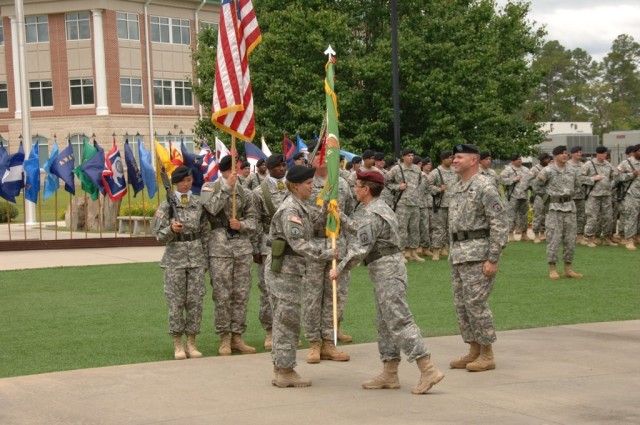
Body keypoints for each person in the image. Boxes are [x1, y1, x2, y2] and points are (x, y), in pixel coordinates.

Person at [329, 170, 444, 394]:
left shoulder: (373, 212)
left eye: (358, 185)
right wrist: (339, 215)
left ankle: (428, 368)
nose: (355, 189)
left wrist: (339, 270)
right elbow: (363, 231)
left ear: (367, 189)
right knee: (384, 321)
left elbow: (360, 248)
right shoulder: (373, 208)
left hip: (387, 269)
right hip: (383, 268)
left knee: (399, 319)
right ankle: (390, 373)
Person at [266, 165, 337, 388]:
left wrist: (328, 209)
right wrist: (326, 253)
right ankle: (285, 370)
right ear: (296, 185)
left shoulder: (299, 206)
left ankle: (281, 367)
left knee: (283, 319)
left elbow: (313, 221)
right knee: (287, 320)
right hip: (285, 270)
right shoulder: (290, 210)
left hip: (290, 269)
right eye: (308, 183)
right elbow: (298, 243)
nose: (312, 186)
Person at [448, 144, 508, 372]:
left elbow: (499, 222)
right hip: (458, 253)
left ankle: (487, 353)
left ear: (473, 160)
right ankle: (473, 349)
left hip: (478, 254)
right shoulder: (457, 186)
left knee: (476, 304)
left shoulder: (485, 185)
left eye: (459, 157)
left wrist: (493, 257)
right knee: (462, 305)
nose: (454, 160)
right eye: (453, 157)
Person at [201, 155, 258, 355]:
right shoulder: (210, 188)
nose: (239, 173)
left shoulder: (246, 193)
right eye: (235, 169)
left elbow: (254, 222)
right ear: (226, 170)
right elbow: (211, 209)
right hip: (219, 248)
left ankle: (237, 336)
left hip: (242, 248)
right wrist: (226, 187)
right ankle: (224, 337)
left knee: (241, 294)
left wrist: (241, 225)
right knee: (222, 295)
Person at [302, 155, 354, 363]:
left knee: (334, 295)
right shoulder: (305, 184)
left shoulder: (340, 183)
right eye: (318, 156)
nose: (322, 160)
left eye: (326, 155)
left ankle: (329, 341)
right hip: (314, 244)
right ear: (311, 160)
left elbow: (348, 211)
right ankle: (314, 343)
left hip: (336, 243)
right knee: (313, 296)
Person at [153, 165, 209, 360]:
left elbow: (204, 232)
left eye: (190, 180)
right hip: (174, 260)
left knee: (195, 301)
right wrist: (171, 229)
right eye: (184, 180)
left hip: (196, 259)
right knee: (176, 302)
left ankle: (192, 343)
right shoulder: (166, 205)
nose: (187, 183)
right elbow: (159, 235)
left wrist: (206, 260)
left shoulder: (198, 203)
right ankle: (178, 344)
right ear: (175, 183)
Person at [251, 154, 289, 349]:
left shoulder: (294, 187)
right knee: (267, 290)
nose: (282, 168)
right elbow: (255, 222)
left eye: (284, 165)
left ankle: (288, 330)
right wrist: (256, 248)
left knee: (290, 290)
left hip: (292, 245)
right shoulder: (259, 192)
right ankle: (270, 331)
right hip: (269, 245)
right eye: (277, 166)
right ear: (268, 168)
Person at [533, 146, 584, 280]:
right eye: (561, 154)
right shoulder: (548, 170)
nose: (564, 155)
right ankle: (553, 269)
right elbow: (536, 186)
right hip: (554, 208)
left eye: (566, 153)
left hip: (569, 207)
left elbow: (578, 185)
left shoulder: (573, 170)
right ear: (555, 156)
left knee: (570, 239)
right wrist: (547, 199)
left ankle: (568, 268)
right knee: (554, 239)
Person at [386, 147, 424, 262]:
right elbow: (387, 182)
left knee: (414, 229)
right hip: (402, 204)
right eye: (408, 155)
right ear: (403, 157)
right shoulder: (396, 169)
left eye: (412, 155)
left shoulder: (417, 169)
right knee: (402, 228)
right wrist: (398, 187)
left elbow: (420, 183)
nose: (411, 158)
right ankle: (401, 252)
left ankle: (413, 252)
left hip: (415, 203)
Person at [582, 146, 617, 247]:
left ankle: (607, 238)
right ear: (598, 154)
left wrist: (611, 185)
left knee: (608, 217)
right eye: (604, 153)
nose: (605, 155)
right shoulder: (589, 164)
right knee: (592, 217)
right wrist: (593, 178)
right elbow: (580, 178)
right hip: (593, 196)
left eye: (606, 153)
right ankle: (588, 238)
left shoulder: (608, 164)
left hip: (606, 195)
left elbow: (615, 176)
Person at [428, 150, 458, 261]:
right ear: (442, 159)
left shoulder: (455, 171)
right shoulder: (436, 172)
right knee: (438, 229)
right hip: (440, 205)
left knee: (452, 228)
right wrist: (439, 189)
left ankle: (449, 249)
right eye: (449, 158)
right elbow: (428, 187)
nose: (451, 160)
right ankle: (436, 251)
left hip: (454, 205)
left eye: (452, 158)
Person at [499, 153, 531, 242]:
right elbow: (500, 180)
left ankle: (524, 234)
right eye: (517, 159)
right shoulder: (508, 170)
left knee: (524, 215)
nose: (520, 160)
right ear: (512, 161)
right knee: (511, 216)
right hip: (512, 197)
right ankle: (510, 234)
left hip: (524, 196)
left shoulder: (526, 170)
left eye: (520, 159)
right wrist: (513, 179)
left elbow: (530, 180)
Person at [616, 144, 640, 250]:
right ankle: (629, 239)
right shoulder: (626, 163)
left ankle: (637, 236)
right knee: (631, 217)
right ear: (634, 152)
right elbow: (616, 177)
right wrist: (631, 175)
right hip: (631, 194)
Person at [530, 153, 552, 243]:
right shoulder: (535, 169)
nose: (547, 160)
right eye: (546, 159)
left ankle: (543, 232)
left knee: (547, 215)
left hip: (549, 195)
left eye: (548, 159)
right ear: (541, 159)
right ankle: (536, 234)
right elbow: (530, 181)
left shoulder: (550, 169)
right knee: (538, 215)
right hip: (539, 195)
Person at [567, 146, 588, 245]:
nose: (580, 154)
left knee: (581, 217)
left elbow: (585, 178)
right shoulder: (567, 164)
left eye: (580, 152)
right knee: (568, 217)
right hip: (569, 196)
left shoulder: (583, 165)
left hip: (580, 195)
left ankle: (579, 236)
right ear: (572, 154)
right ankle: (567, 237)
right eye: (577, 152)